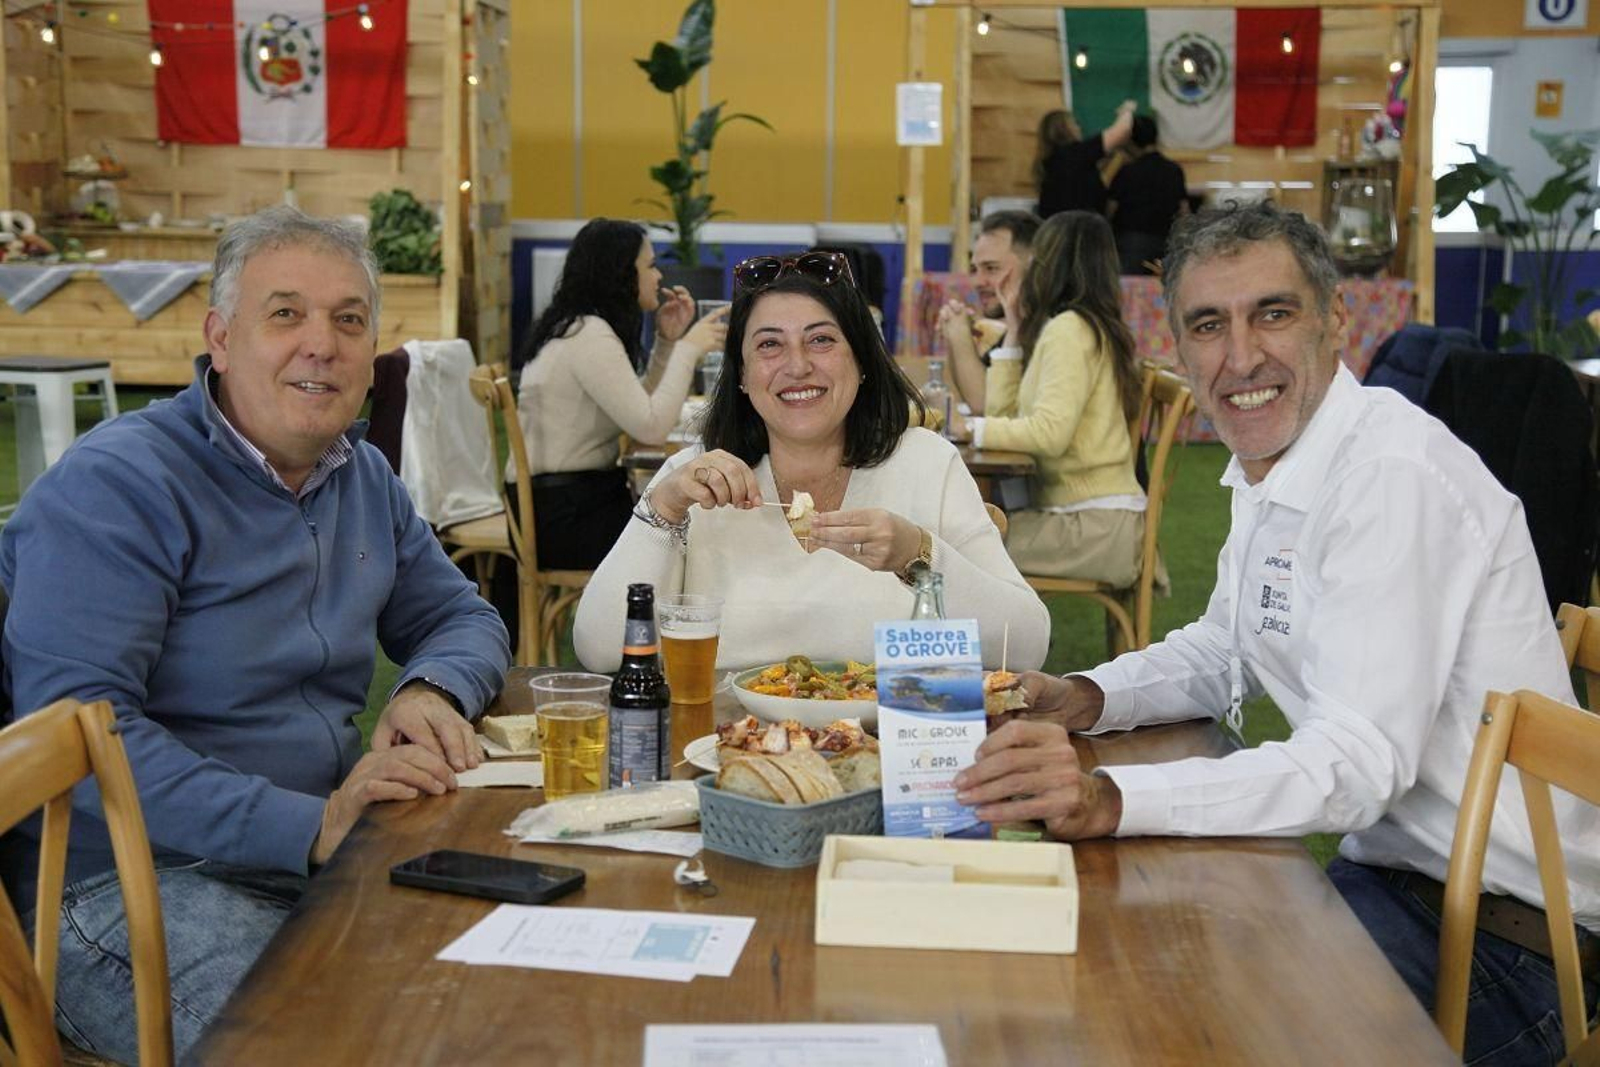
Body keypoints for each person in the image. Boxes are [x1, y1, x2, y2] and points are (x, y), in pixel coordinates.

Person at [955, 200, 1596, 1066]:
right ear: (1179, 349)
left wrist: (1113, 798)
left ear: (1336, 320)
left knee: (1180, 1024)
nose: (1242, 356)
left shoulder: (1388, 477)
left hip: (1510, 940)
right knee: (1130, 975)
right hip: (1396, 882)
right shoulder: (1281, 465)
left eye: (1274, 313)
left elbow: (1356, 761)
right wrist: (1084, 696)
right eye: (1210, 325)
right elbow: (1225, 647)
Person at [0, 206, 511, 1063]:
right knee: (348, 1049)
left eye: (349, 320)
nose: (324, 344)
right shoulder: (120, 486)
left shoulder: (364, 475)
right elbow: (88, 743)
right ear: (221, 336)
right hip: (117, 887)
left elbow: (464, 615)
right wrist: (309, 827)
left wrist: (431, 685)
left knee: (485, 1008)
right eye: (286, 313)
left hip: (313, 853)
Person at [572, 250, 1050, 673]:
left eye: (821, 340)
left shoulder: (927, 464)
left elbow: (1025, 646)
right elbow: (600, 650)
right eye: (769, 345)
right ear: (740, 375)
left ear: (862, 361)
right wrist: (664, 508)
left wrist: (917, 555)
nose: (796, 365)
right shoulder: (696, 480)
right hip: (720, 751)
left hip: (883, 748)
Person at [512, 217, 728, 571]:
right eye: (651, 266)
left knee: (687, 530)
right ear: (622, 273)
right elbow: (651, 428)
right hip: (565, 516)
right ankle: (672, 623)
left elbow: (634, 405)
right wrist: (688, 349)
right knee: (691, 539)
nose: (659, 277)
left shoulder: (581, 326)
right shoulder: (589, 335)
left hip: (564, 504)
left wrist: (667, 341)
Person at [948, 211, 1147, 587]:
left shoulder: (1069, 330)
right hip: (1095, 521)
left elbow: (1049, 434)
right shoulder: (1077, 325)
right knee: (965, 535)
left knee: (954, 546)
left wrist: (970, 429)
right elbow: (1005, 414)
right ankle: (1014, 641)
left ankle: (1002, 644)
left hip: (1092, 529)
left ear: (1052, 263)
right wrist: (1014, 330)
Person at [936, 209, 1040, 414]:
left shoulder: (1049, 327)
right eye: (975, 269)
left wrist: (960, 338)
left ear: (1033, 268)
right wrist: (955, 334)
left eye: (991, 268)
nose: (977, 282)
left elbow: (986, 405)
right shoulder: (1016, 325)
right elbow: (977, 395)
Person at [1108, 114, 1189, 276]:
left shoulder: (1127, 171)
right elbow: (1183, 211)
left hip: (1131, 243)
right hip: (1166, 240)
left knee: (1130, 293)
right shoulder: (1174, 170)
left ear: (1131, 142)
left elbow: (1110, 209)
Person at [1035, 100, 1135, 220]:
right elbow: (1123, 131)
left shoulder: (1053, 159)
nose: (1079, 128)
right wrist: (1127, 110)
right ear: (1064, 129)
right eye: (1075, 124)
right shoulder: (1075, 152)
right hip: (1078, 229)